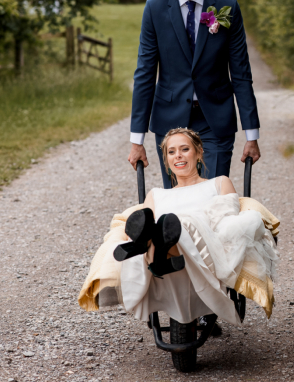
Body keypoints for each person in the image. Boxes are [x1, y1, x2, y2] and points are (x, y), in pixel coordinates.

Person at [127, 0, 261, 189]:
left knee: (213, 198)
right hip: (169, 121)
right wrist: (137, 140)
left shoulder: (227, 6)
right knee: (178, 205)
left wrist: (251, 135)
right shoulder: (154, 9)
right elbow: (145, 73)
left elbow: (241, 73)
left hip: (216, 119)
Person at [114, 128, 278, 327]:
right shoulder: (156, 194)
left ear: (199, 152)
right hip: (167, 252)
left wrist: (189, 221)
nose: (178, 156)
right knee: (153, 225)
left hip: (202, 247)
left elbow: (225, 220)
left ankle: (160, 247)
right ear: (166, 159)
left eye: (185, 149)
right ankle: (154, 249)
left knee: (181, 223)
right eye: (171, 152)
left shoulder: (218, 183)